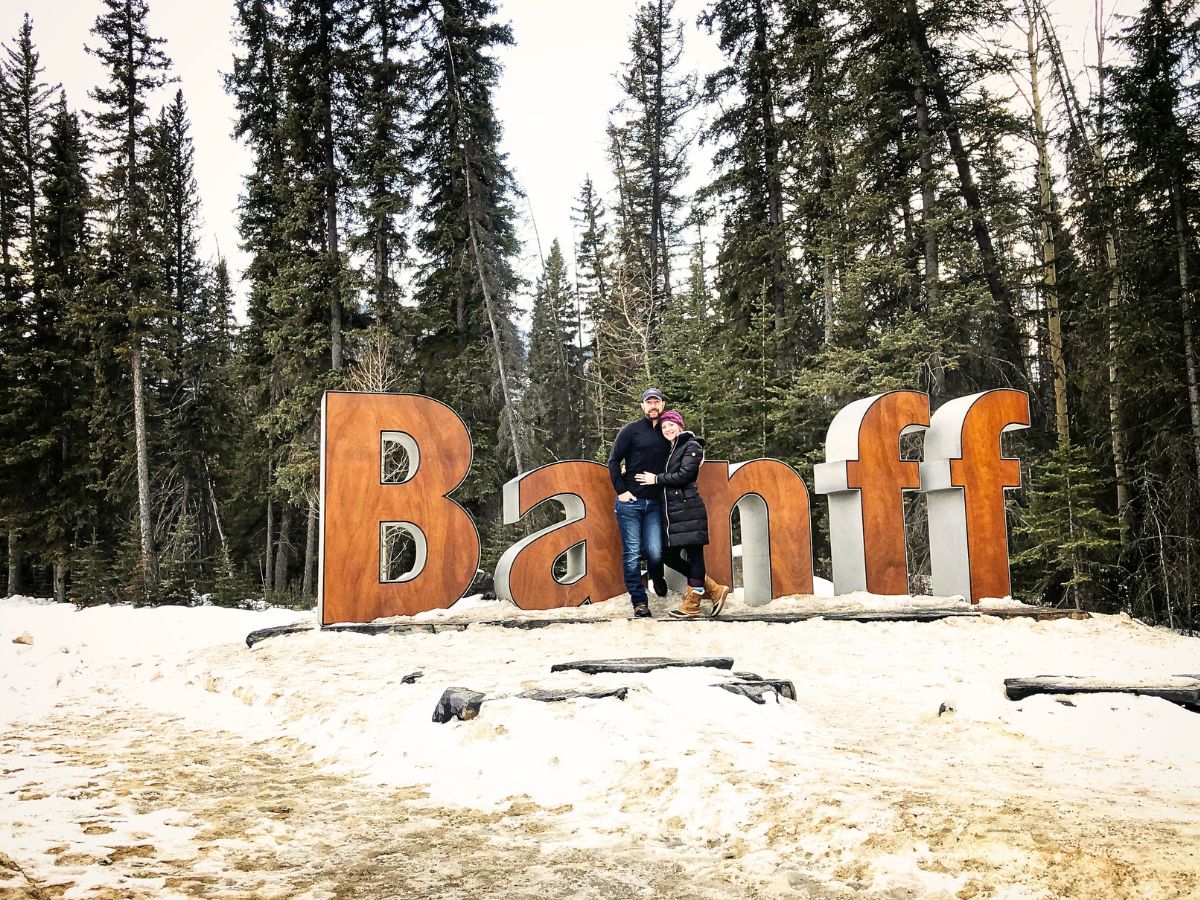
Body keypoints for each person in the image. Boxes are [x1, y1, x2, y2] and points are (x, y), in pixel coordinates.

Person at [634, 410, 730, 619]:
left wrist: (656, 479)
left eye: (671, 425)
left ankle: (693, 604)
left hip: (688, 508)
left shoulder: (691, 445)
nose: (667, 429)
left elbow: (685, 475)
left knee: (695, 555)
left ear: (680, 426)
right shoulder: (670, 450)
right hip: (672, 513)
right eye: (664, 426)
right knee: (669, 556)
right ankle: (713, 589)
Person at [608, 388, 671, 618]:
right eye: (649, 402)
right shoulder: (630, 431)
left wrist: (698, 452)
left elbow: (686, 445)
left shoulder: (667, 430)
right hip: (630, 502)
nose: (653, 406)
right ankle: (639, 602)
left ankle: (656, 576)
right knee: (632, 553)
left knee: (656, 552)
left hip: (655, 502)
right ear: (643, 406)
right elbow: (614, 460)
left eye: (656, 402)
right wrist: (621, 490)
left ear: (662, 405)